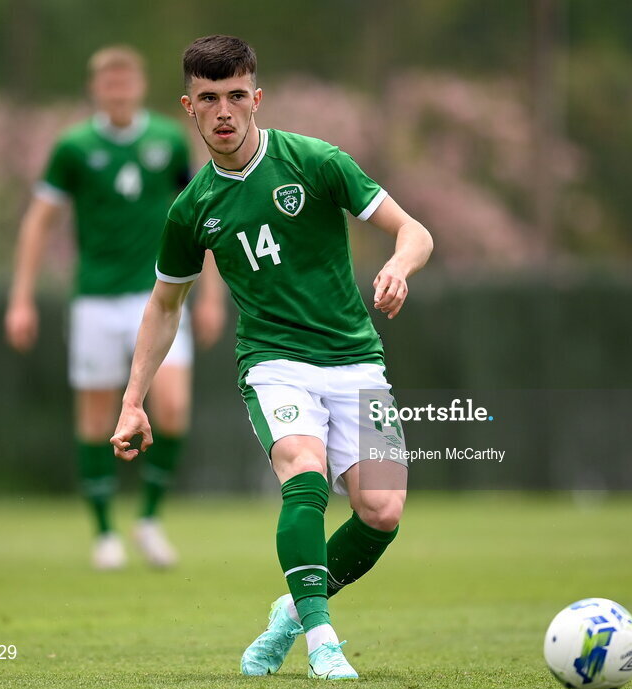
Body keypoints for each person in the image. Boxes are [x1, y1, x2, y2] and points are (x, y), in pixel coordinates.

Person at [110, 35, 433, 680]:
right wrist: (132, 399)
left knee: (382, 511)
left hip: (354, 360)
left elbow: (413, 230)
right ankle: (322, 640)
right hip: (274, 363)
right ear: (189, 108)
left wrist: (398, 266)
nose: (223, 111)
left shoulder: (315, 161)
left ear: (256, 98)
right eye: (208, 99)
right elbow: (164, 307)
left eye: (235, 96)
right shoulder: (191, 209)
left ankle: (291, 609)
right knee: (304, 470)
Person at [6, 46, 225, 571]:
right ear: (96, 89)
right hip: (95, 299)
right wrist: (21, 299)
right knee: (96, 416)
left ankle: (148, 520)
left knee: (171, 408)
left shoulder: (169, 140)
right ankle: (104, 532)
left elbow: (205, 212)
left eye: (127, 81)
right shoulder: (75, 146)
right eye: (109, 83)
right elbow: (39, 220)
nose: (119, 89)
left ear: (140, 85)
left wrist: (214, 295)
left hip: (161, 297)